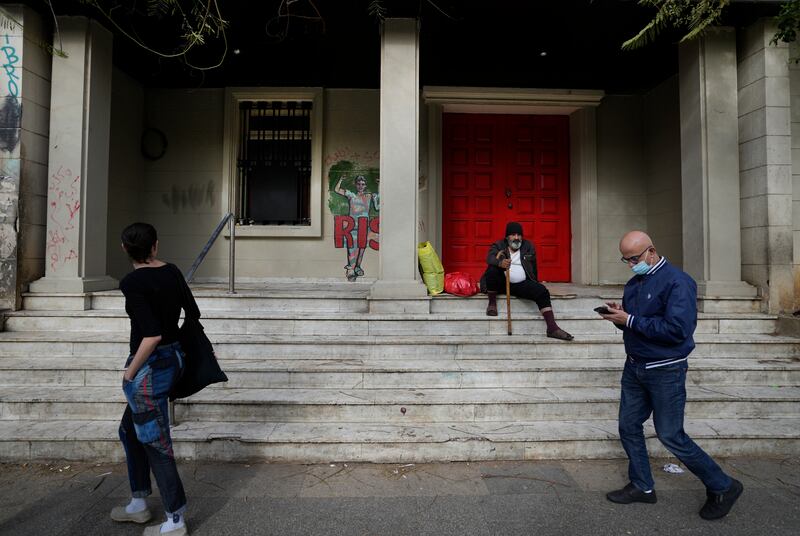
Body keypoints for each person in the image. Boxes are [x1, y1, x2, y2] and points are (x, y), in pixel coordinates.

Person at [600, 230, 743, 520]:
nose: (630, 265)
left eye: (634, 258)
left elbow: (677, 330)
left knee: (670, 434)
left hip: (666, 370)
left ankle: (723, 485)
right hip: (635, 366)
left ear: (651, 251)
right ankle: (642, 486)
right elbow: (636, 324)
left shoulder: (679, 282)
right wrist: (620, 317)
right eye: (625, 260)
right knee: (628, 426)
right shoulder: (634, 283)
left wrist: (630, 319)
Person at [111, 222, 196, 536]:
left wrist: (130, 372)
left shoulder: (132, 283)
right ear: (155, 246)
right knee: (129, 430)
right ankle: (139, 502)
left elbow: (151, 334)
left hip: (149, 368)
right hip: (172, 359)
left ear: (125, 249)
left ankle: (175, 518)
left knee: (156, 443)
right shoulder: (172, 271)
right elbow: (192, 313)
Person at [480, 221, 573, 340]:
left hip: (521, 284)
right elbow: (490, 258)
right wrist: (500, 263)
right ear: (507, 236)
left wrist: (535, 283)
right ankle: (492, 303)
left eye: (519, 235)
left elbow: (533, 268)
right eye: (513, 235)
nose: (516, 238)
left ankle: (552, 328)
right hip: (502, 283)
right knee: (492, 270)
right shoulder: (499, 245)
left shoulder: (528, 246)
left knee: (542, 291)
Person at [335, 174, 379, 281]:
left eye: (363, 184)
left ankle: (358, 266)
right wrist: (340, 179)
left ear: (365, 186)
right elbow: (337, 190)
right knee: (352, 248)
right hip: (353, 227)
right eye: (358, 184)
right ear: (355, 185)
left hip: (364, 226)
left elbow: (377, 207)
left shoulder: (369, 196)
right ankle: (350, 268)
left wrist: (379, 186)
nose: (360, 186)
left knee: (362, 248)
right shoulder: (351, 195)